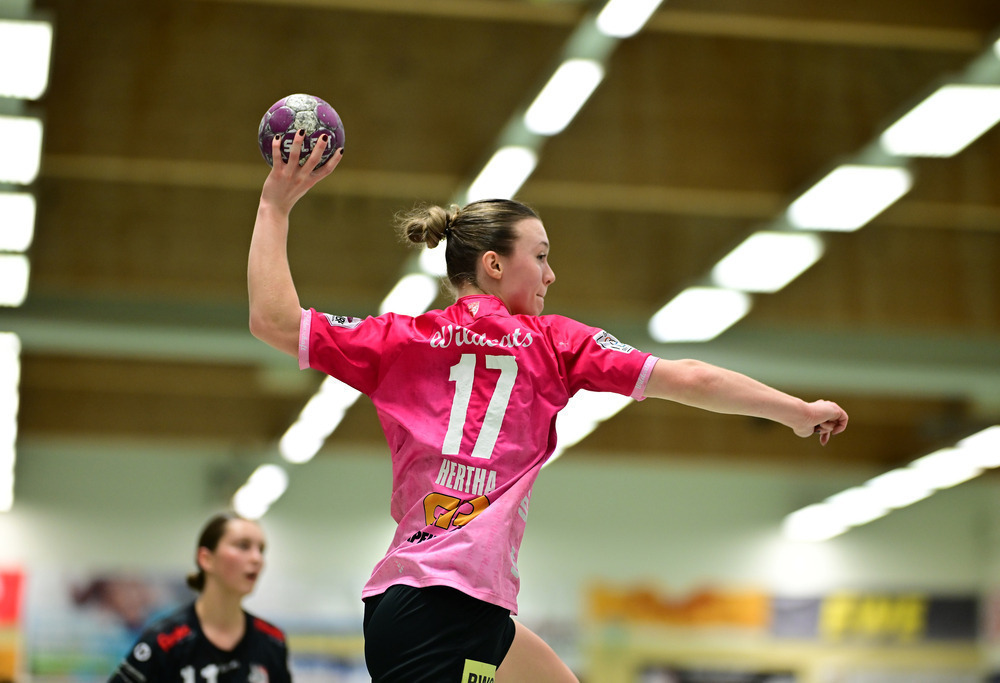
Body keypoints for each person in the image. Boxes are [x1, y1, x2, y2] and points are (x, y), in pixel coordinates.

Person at [247, 132, 848, 682]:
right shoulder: (556, 342)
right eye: (540, 255)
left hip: (441, 607)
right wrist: (794, 410)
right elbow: (688, 377)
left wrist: (275, 207)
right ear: (494, 264)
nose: (551, 273)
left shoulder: (400, 340)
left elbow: (274, 322)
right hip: (441, 610)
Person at [107, 513, 291, 683]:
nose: (257, 558)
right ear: (206, 559)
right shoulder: (164, 641)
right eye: (243, 546)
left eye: (261, 550)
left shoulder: (272, 641)